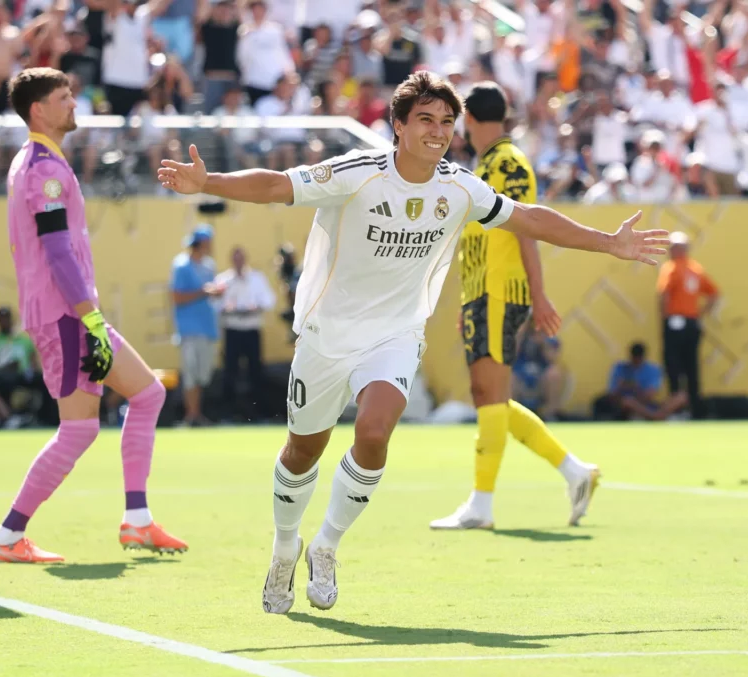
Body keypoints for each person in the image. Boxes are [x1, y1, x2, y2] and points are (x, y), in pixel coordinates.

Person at [158, 71, 668, 614]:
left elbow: (527, 218)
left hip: (395, 334)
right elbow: (277, 185)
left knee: (375, 431)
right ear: (398, 126)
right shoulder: (358, 173)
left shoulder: (459, 186)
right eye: (425, 119)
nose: (439, 131)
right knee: (303, 450)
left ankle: (326, 545)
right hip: (327, 334)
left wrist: (608, 243)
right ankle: (286, 546)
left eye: (447, 121)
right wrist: (207, 182)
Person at [0, 67, 187, 564]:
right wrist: (92, 320)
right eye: (63, 96)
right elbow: (58, 255)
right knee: (80, 429)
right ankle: (8, 537)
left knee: (147, 393)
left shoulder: (31, 161)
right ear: (38, 110)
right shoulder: (45, 170)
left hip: (67, 314)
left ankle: (136, 520)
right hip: (66, 316)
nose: (74, 103)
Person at [430, 83, 600, 533]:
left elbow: (528, 227)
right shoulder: (487, 163)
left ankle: (481, 505)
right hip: (483, 292)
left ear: (468, 120)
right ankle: (574, 471)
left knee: (488, 396)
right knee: (492, 397)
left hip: (501, 292)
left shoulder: (508, 163)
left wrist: (539, 294)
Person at [657, 231, 719, 419]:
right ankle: (695, 409)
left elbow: (663, 294)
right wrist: (699, 314)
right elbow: (713, 294)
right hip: (692, 323)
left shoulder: (671, 267)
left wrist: (664, 318)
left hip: (675, 321)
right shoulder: (696, 268)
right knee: (691, 366)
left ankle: (678, 408)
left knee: (673, 365)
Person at [215, 246, 276, 420]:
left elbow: (269, 300)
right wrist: (227, 308)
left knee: (255, 371)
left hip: (251, 329)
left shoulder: (257, 278)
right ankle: (229, 412)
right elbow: (215, 304)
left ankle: (258, 412)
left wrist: (256, 306)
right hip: (232, 329)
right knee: (230, 371)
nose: (239, 262)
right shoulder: (223, 280)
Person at [171, 225, 221, 427]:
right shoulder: (181, 266)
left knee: (202, 375)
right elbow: (177, 297)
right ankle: (191, 416)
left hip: (207, 327)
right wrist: (204, 292)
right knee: (191, 374)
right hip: (189, 328)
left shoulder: (210, 266)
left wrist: (215, 293)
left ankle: (196, 414)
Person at [593, 342, 688, 421]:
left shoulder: (653, 369)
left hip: (647, 404)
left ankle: (657, 415)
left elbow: (650, 394)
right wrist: (623, 387)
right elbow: (612, 394)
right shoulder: (620, 368)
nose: (636, 362)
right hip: (630, 406)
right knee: (628, 402)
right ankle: (656, 417)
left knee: (682, 396)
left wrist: (635, 387)